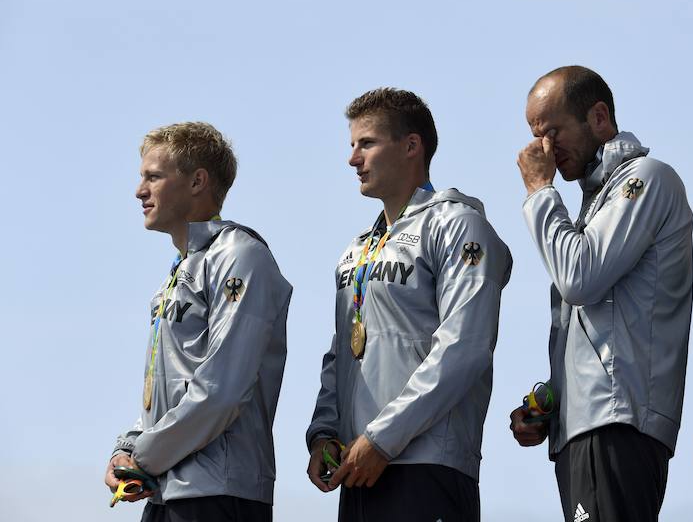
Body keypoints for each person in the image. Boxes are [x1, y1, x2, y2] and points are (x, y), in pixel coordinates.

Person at [306, 88, 512, 521]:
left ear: (411, 146)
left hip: (428, 465)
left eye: (366, 143)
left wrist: (383, 437)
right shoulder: (355, 250)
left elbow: (464, 346)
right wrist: (323, 432)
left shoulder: (457, 224)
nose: (353, 158)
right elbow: (341, 350)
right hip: (359, 466)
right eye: (352, 145)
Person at [510, 65, 693, 522]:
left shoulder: (646, 178)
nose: (544, 149)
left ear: (598, 117)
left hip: (616, 422)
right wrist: (554, 399)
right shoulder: (597, 198)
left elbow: (579, 277)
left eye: (553, 131)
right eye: (536, 135)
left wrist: (539, 191)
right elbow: (600, 326)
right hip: (588, 424)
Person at [104, 122, 293, 522]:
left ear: (197, 182)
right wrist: (129, 444)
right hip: (164, 491)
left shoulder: (242, 256)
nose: (140, 191)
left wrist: (144, 456)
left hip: (220, 494)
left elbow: (222, 390)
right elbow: (171, 390)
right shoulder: (180, 268)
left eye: (153, 177)